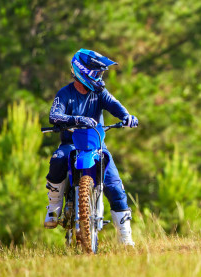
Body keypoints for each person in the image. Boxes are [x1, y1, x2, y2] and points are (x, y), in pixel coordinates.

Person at [44, 48, 138, 246]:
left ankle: (126, 238)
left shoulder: (100, 93)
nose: (99, 78)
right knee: (58, 159)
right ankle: (53, 207)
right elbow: (54, 115)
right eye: (96, 73)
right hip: (71, 143)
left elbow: (115, 105)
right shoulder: (65, 94)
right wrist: (77, 119)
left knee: (115, 186)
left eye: (100, 74)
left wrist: (126, 117)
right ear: (82, 72)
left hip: (97, 144)